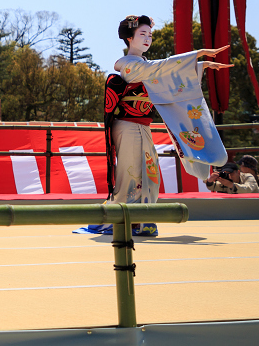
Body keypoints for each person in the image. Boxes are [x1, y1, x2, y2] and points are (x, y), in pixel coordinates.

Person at [82, 15, 231, 237]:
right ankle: (119, 219)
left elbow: (166, 73)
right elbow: (159, 69)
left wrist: (200, 65)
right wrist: (195, 55)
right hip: (127, 124)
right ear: (129, 38)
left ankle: (142, 219)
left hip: (142, 125)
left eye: (150, 35)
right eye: (142, 34)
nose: (147, 39)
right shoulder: (126, 64)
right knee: (130, 173)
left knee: (150, 173)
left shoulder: (148, 66)